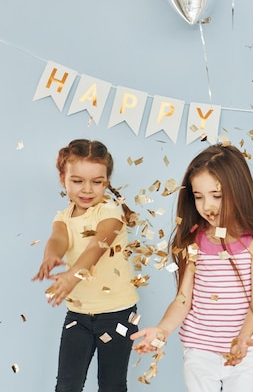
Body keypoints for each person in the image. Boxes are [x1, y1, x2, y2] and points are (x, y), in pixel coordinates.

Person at [130, 144, 253, 392]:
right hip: (200, 348)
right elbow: (183, 299)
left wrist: (242, 339)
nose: (206, 206)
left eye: (216, 196)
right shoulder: (194, 242)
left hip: (244, 348)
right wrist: (162, 329)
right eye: (198, 197)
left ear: (238, 192)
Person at [32, 139, 140, 392]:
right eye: (77, 181)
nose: (87, 189)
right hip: (78, 316)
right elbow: (58, 238)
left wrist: (72, 275)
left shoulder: (111, 213)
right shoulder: (63, 217)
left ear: (107, 181)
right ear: (63, 179)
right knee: (67, 385)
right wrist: (51, 256)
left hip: (118, 314)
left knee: (112, 385)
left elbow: (97, 246)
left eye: (97, 182)